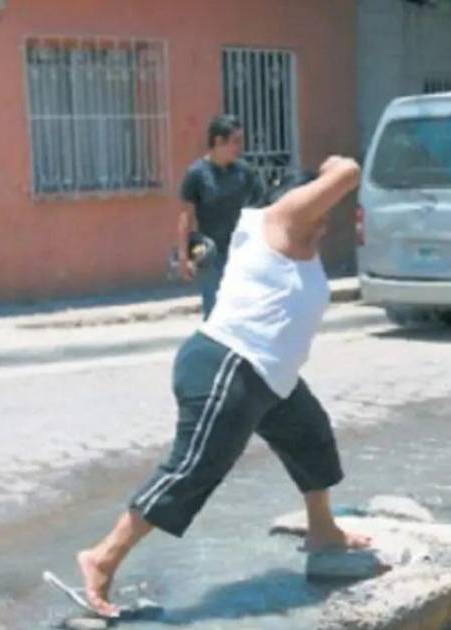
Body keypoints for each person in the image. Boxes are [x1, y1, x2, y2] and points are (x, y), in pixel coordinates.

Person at [76, 156, 365, 617]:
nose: (325, 222)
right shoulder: (281, 221)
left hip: (270, 377)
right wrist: (330, 168)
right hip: (228, 365)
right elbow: (347, 172)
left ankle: (322, 530)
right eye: (321, 210)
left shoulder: (298, 241)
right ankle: (102, 557)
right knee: (194, 467)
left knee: (311, 437)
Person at [178, 115, 267, 319]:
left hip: (242, 252)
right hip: (211, 254)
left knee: (244, 310)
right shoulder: (197, 174)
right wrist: (184, 257)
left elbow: (262, 206)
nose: (240, 147)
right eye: (235, 141)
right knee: (215, 313)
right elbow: (186, 217)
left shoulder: (245, 172)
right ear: (218, 141)